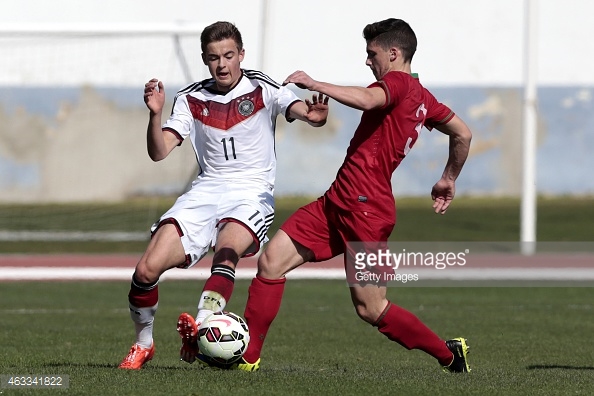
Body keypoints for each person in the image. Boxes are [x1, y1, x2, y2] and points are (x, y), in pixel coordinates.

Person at [199, 18, 472, 372]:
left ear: (393, 53)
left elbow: (366, 99)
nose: (368, 61)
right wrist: (448, 178)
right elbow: (463, 133)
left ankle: (449, 355)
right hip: (337, 201)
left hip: (367, 211)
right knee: (271, 262)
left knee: (370, 308)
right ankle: (248, 359)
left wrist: (313, 82)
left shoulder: (399, 83)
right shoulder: (424, 97)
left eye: (372, 54)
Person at [118, 21, 329, 370]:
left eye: (229, 55)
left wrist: (313, 116)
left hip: (251, 192)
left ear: (241, 54)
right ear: (205, 59)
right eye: (214, 57)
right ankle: (143, 344)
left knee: (226, 252)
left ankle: (202, 324)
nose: (222, 64)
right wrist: (155, 116)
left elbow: (299, 110)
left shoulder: (263, 87)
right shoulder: (190, 97)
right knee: (145, 270)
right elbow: (159, 152)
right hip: (206, 190)